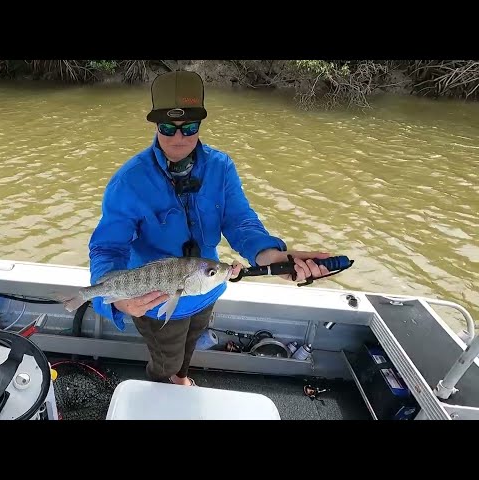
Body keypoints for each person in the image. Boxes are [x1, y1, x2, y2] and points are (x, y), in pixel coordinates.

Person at [88, 70, 331, 386]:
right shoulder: (128, 181)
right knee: (167, 359)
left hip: (207, 287)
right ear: (155, 125)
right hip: (156, 299)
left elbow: (241, 222)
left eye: (189, 127)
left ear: (200, 125)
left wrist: (271, 256)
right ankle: (160, 386)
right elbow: (107, 248)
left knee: (190, 347)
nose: (178, 138)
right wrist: (119, 301)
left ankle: (181, 377)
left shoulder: (222, 167)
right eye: (167, 127)